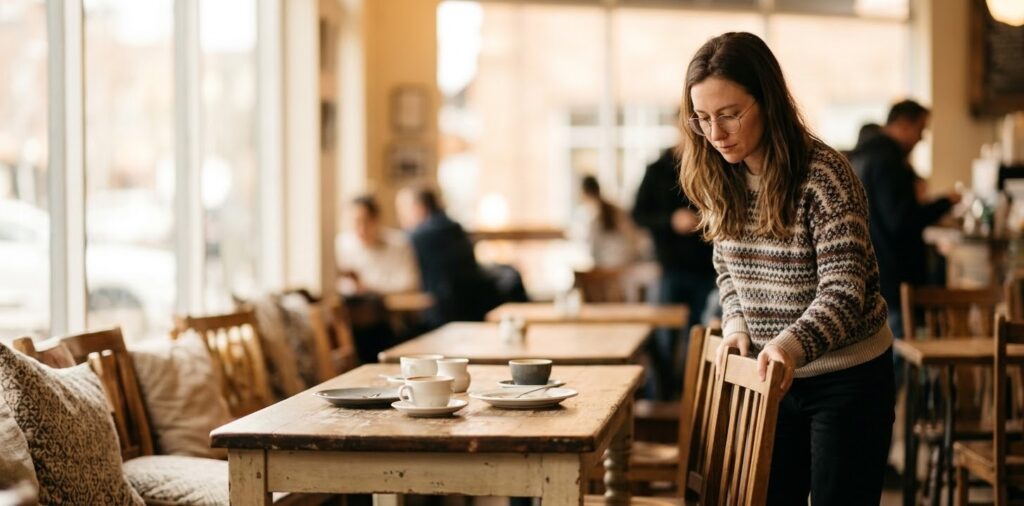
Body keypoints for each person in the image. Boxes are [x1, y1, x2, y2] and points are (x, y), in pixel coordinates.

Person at [680, 32, 894, 504]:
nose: (716, 134)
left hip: (847, 378)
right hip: (772, 376)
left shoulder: (825, 176)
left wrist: (786, 345)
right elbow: (728, 269)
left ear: (768, 100)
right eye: (703, 119)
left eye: (730, 114)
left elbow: (844, 292)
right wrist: (736, 323)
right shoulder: (720, 176)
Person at [850, 100, 960, 338]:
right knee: (897, 352)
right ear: (902, 124)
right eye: (920, 129)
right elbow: (901, 220)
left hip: (871, 270)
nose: (922, 138)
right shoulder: (888, 161)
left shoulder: (863, 156)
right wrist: (943, 203)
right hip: (893, 275)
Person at [633, 140, 716, 399]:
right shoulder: (657, 169)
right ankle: (662, 396)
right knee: (665, 337)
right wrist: (670, 221)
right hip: (671, 266)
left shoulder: (713, 165)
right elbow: (637, 214)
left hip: (708, 267)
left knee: (699, 337)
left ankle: (690, 395)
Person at [395, 186, 501, 329]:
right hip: (471, 309)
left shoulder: (416, 237)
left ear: (419, 207)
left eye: (403, 210)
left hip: (437, 314)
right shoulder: (455, 227)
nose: (401, 217)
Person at [336, 195, 420, 295]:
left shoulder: (399, 243)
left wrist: (367, 286)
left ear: (376, 220)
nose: (361, 229)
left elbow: (409, 283)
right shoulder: (342, 245)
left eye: (366, 221)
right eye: (356, 222)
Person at [568, 175, 639, 268]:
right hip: (626, 264)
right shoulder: (616, 210)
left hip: (611, 267)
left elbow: (592, 248)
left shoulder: (594, 215)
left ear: (583, 193)